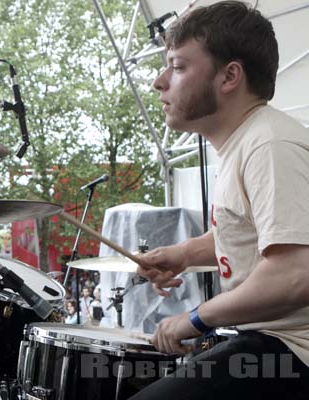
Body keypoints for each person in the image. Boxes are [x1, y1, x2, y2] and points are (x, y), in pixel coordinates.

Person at [132, 2, 309, 398]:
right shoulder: (246, 143)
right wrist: (184, 254)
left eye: (177, 67)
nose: (160, 82)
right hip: (269, 343)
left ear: (230, 76)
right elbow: (252, 231)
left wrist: (196, 319)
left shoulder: (270, 145)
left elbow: (295, 273)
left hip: (294, 353)